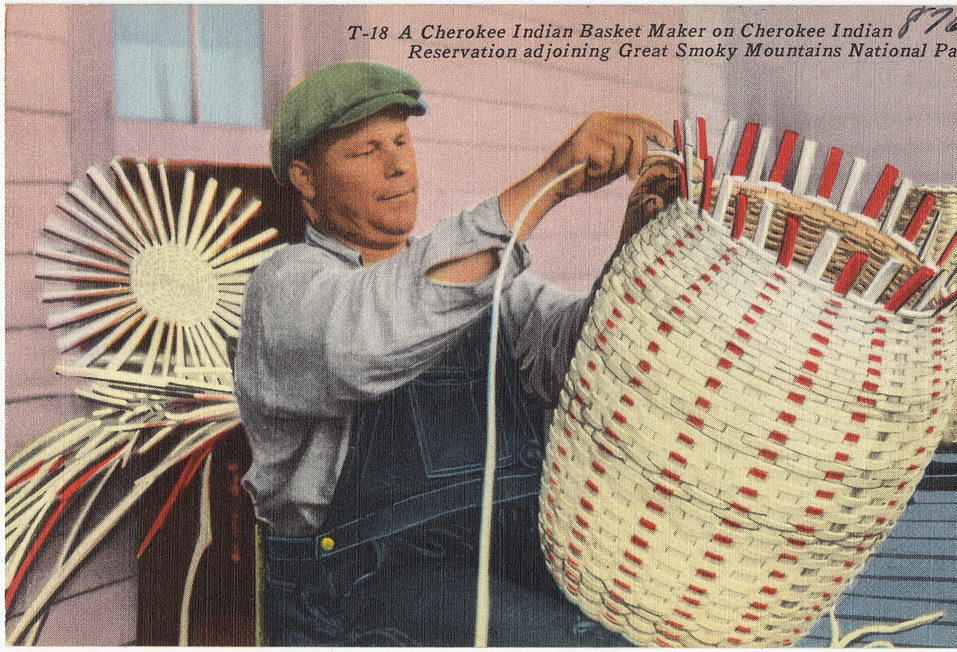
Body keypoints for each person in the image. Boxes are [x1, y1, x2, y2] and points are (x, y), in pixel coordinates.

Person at [234, 61, 672, 646]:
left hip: (503, 553)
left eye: (400, 141)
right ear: (307, 180)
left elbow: (577, 358)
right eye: (365, 150)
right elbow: (369, 340)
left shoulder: (476, 276)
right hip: (357, 590)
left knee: (649, 627)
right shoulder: (286, 286)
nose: (398, 165)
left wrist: (637, 252)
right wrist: (554, 179)